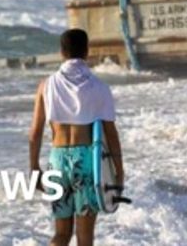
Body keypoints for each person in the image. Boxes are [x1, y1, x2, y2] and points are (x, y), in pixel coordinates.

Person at [29, 29, 125, 246]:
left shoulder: (46, 86)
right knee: (84, 238)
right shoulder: (99, 87)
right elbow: (111, 134)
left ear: (61, 52)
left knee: (61, 234)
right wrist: (119, 172)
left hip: (57, 161)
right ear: (87, 51)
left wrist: (34, 168)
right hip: (87, 161)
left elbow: (35, 132)